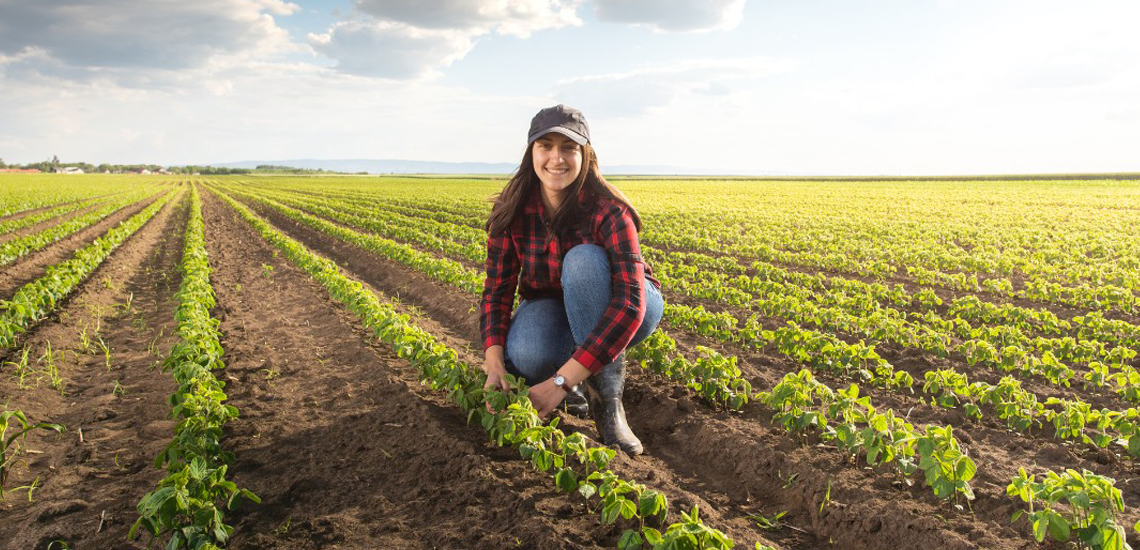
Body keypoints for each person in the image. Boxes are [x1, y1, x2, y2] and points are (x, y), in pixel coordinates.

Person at [480, 104, 664, 456]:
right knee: (529, 355)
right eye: (545, 146)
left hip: (628, 304)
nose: (556, 158)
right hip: (555, 304)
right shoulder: (512, 210)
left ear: (585, 155)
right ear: (531, 152)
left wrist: (559, 385)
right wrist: (494, 366)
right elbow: (496, 293)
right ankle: (577, 373)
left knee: (582, 259)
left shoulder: (609, 210)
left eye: (568, 147)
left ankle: (608, 405)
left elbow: (629, 304)